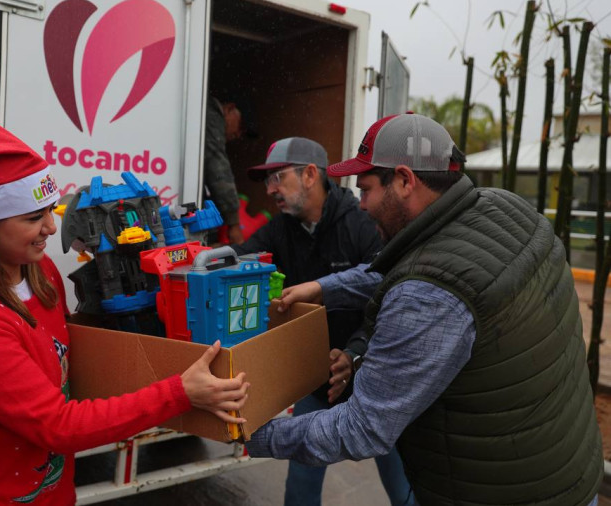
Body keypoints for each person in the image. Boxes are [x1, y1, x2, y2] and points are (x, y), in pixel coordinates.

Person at [248, 113, 603, 505]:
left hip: (494, 492)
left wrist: (252, 435)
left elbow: (362, 428)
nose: (361, 204)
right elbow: (411, 269)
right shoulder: (503, 209)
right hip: (566, 471)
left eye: (365, 189)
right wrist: (323, 288)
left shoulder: (424, 297)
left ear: (403, 180)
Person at [0, 124, 249, 505]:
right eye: (32, 218)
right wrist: (179, 392)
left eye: (49, 211)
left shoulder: (39, 274)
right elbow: (58, 425)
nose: (51, 227)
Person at [232, 137, 412, 505]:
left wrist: (355, 352)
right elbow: (238, 260)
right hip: (320, 380)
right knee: (300, 486)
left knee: (402, 489)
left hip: (375, 381)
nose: (271, 190)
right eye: (268, 182)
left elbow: (391, 295)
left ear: (311, 174)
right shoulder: (281, 229)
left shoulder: (362, 222)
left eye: (278, 178)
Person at [205, 96, 244, 244]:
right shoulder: (212, 114)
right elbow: (217, 168)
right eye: (241, 126)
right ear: (229, 109)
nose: (238, 135)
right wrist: (234, 224)